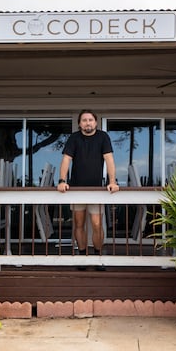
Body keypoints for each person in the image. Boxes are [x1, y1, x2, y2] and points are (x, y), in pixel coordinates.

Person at [57, 109, 119, 260]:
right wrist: (62, 181)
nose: (87, 123)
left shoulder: (103, 137)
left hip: (96, 189)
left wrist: (112, 182)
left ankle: (98, 256)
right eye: (84, 120)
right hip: (76, 188)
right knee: (79, 224)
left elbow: (109, 159)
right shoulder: (74, 138)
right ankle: (82, 255)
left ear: (95, 122)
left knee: (97, 224)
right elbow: (66, 159)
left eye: (90, 120)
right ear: (79, 123)